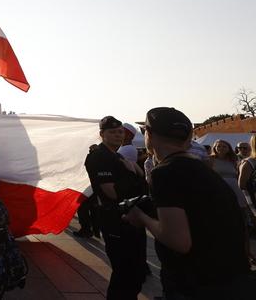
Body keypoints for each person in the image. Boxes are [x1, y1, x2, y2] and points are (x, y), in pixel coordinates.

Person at [123, 107, 251, 299]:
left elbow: (178, 241)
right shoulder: (204, 169)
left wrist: (140, 216)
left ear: (149, 134)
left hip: (195, 282)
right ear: (188, 137)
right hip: (231, 278)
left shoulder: (165, 172)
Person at [83, 116, 147, 300]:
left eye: (120, 131)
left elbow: (141, 181)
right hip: (115, 219)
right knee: (124, 272)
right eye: (112, 132)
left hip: (132, 217)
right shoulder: (99, 156)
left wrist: (135, 172)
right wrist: (134, 175)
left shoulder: (117, 156)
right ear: (102, 134)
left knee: (136, 272)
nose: (118, 135)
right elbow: (111, 192)